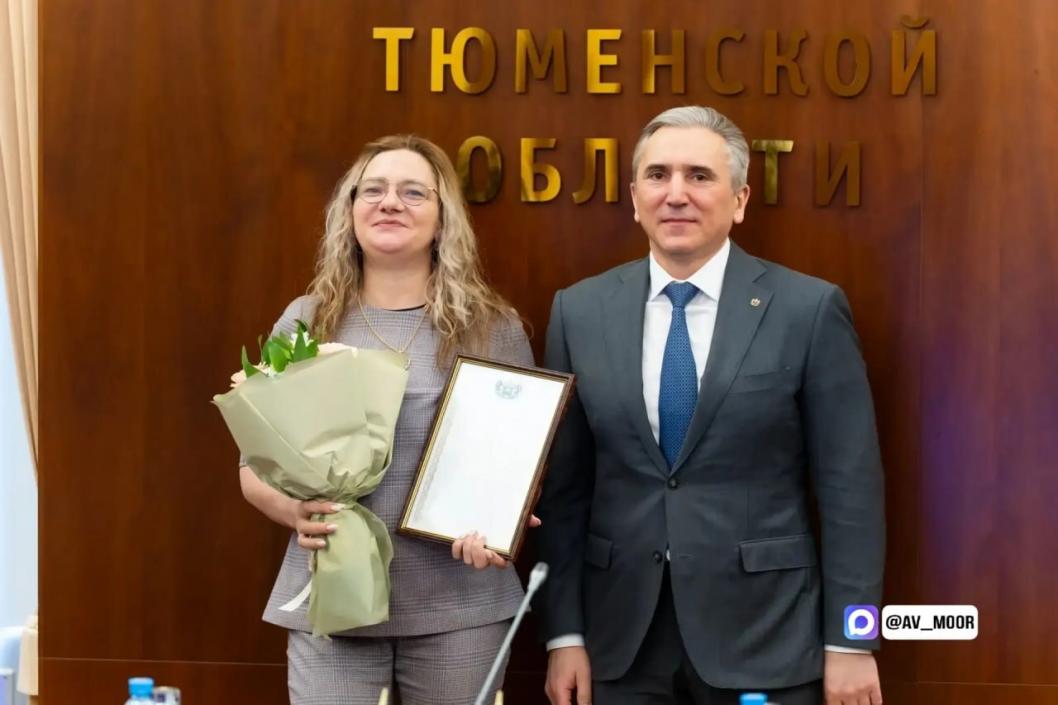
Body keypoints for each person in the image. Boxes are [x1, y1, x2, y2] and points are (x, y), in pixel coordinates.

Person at [534, 106, 886, 705]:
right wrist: (563, 634)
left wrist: (853, 640)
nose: (676, 194)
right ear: (635, 198)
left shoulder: (808, 309)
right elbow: (564, 491)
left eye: (699, 176)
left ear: (740, 199)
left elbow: (850, 489)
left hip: (767, 639)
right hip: (620, 643)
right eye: (658, 175)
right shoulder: (579, 311)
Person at [238, 134, 532, 705]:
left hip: (460, 604)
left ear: (443, 220)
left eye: (413, 192)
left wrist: (503, 523)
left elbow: (521, 463)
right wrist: (295, 512)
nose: (390, 202)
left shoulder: (492, 329)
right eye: (372, 190)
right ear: (349, 212)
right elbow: (253, 465)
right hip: (333, 598)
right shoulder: (306, 323)